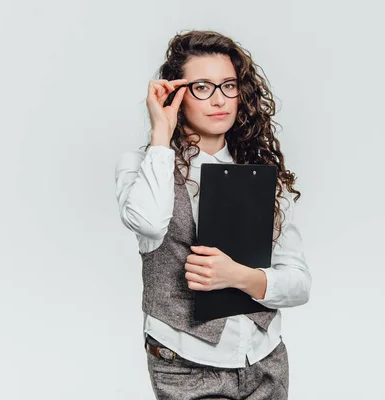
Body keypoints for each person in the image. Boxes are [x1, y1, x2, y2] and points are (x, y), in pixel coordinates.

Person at [114, 30, 312, 400]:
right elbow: (148, 222)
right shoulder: (142, 168)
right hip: (187, 366)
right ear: (176, 94)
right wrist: (161, 134)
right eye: (202, 87)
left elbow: (299, 283)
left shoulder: (264, 176)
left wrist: (241, 277)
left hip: (265, 362)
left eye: (229, 86)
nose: (219, 100)